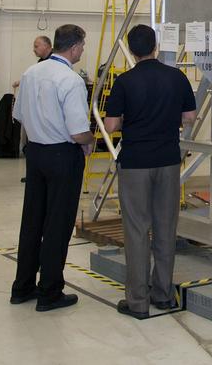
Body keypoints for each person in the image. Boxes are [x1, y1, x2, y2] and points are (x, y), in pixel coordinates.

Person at [103, 24, 196, 318]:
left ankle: (138, 302)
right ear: (155, 47)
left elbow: (111, 125)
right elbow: (190, 116)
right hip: (168, 161)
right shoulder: (176, 77)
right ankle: (164, 294)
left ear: (132, 50)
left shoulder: (124, 82)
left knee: (137, 230)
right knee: (166, 227)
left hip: (135, 164)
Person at [11, 23, 94, 313]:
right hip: (62, 156)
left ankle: (22, 287)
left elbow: (19, 113)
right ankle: (50, 291)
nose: (83, 50)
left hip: (35, 154)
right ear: (73, 47)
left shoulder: (31, 73)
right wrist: (90, 140)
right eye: (82, 45)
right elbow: (77, 131)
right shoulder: (71, 81)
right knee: (58, 225)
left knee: (32, 222)